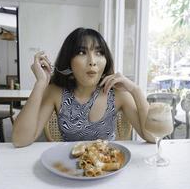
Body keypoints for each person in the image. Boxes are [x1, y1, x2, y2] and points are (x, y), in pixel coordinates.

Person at [12, 27, 155, 147]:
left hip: (107, 168)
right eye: (82, 52)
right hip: (70, 171)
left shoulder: (118, 93)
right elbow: (20, 140)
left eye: (99, 52)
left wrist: (135, 90)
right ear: (69, 61)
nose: (92, 61)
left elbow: (152, 136)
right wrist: (41, 83)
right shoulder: (56, 92)